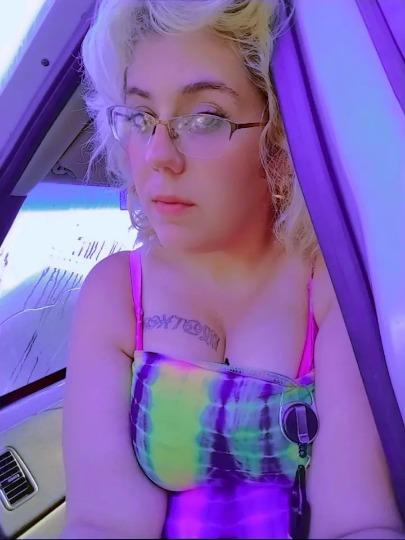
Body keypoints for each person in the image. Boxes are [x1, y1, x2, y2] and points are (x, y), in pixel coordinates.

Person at [61, 0, 404, 538]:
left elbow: (355, 520)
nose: (158, 155)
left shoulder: (327, 284)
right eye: (140, 117)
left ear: (278, 135)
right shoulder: (116, 294)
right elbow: (102, 523)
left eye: (204, 118)